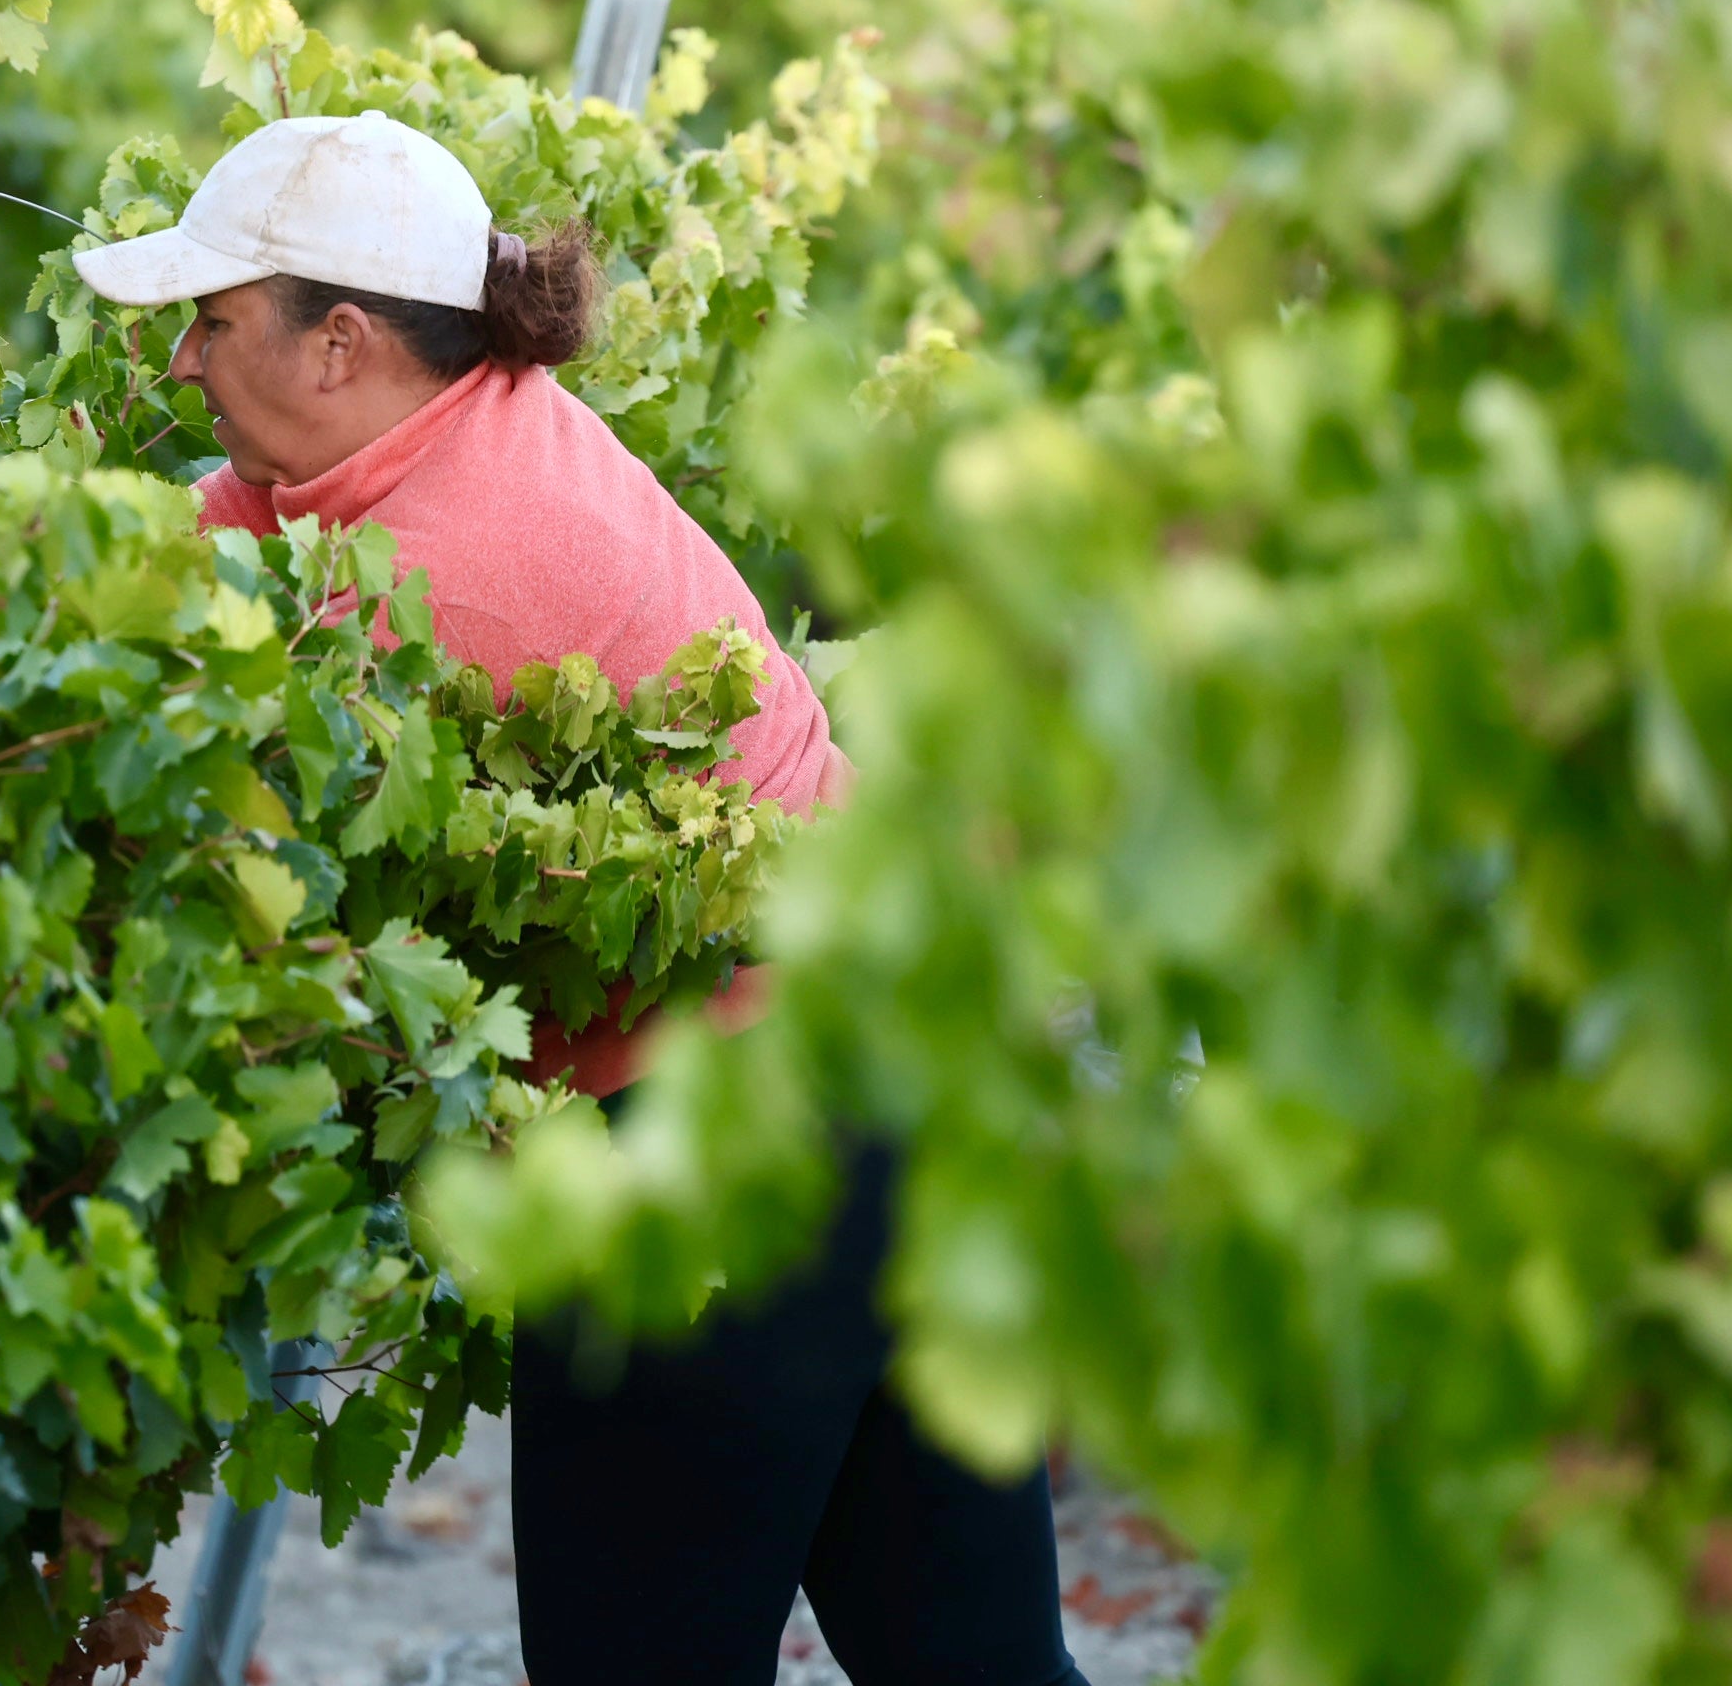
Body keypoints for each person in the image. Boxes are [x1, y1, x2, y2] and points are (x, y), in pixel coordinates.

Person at [73, 109, 1089, 1686]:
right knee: (976, 1667)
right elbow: (260, 528)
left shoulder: (440, 583)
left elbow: (249, 859)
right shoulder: (485, 413)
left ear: (341, 341)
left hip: (719, 1165)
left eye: (212, 323)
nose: (184, 365)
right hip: (893, 1089)